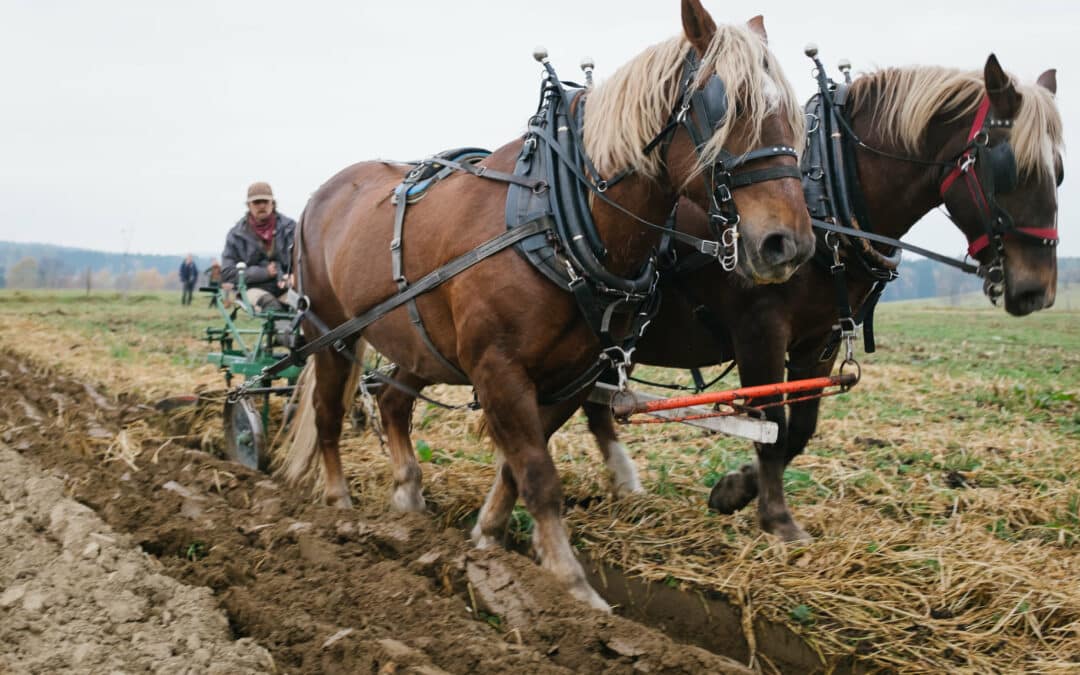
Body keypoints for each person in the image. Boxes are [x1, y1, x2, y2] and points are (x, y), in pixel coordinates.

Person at [221, 182, 296, 312]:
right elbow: (228, 272)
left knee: (305, 308)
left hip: (288, 288)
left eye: (265, 201)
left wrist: (294, 276)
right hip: (252, 289)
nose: (262, 206)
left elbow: (306, 260)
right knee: (272, 307)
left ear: (272, 203)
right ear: (248, 205)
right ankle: (283, 332)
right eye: (256, 202)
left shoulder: (291, 228)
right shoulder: (236, 235)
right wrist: (264, 273)